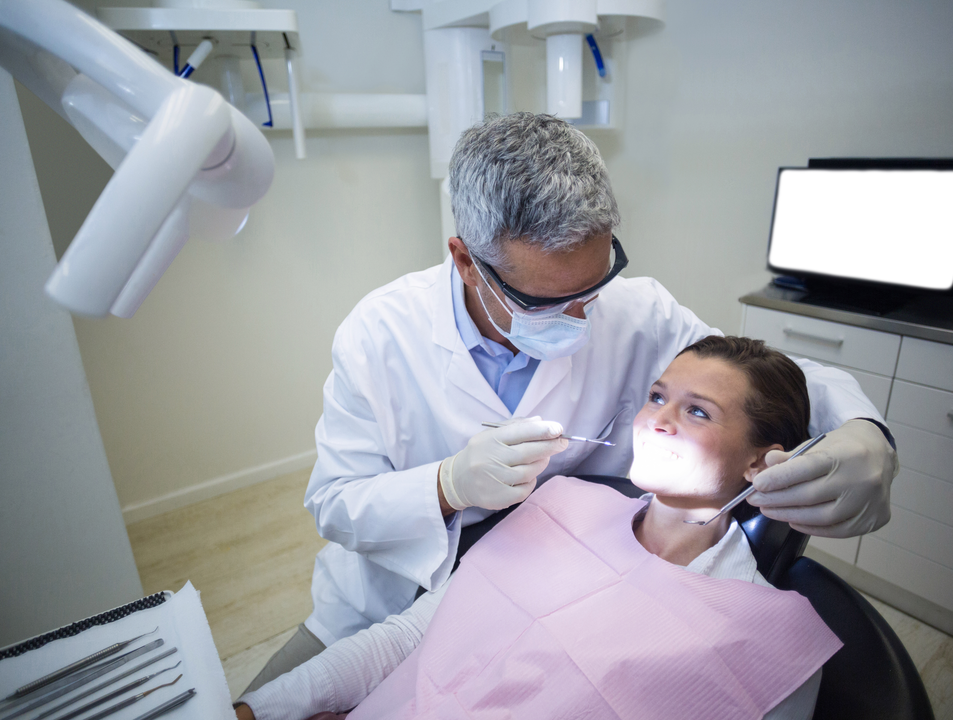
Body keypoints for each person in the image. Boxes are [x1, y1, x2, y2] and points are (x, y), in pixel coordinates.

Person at [244, 112, 897, 693]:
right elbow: (334, 504)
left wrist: (865, 431)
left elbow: (763, 374)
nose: (582, 314)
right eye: (545, 301)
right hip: (391, 601)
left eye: (594, 282)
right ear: (467, 262)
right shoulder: (379, 333)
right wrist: (446, 486)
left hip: (555, 599)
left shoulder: (638, 314)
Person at [235, 336, 843, 719]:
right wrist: (259, 708)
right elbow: (402, 641)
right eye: (657, 396)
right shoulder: (565, 505)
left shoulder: (770, 641)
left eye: (697, 411)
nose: (657, 420)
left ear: (761, 461)